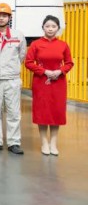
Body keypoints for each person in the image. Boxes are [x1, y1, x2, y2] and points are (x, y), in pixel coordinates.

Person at [25, 15, 74, 156]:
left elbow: (69, 63)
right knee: (42, 111)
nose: (50, 29)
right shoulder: (36, 44)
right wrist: (44, 71)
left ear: (58, 28)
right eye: (47, 26)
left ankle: (53, 143)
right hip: (41, 82)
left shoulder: (63, 45)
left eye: (53, 26)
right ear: (43, 28)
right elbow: (28, 62)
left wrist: (60, 71)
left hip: (58, 83)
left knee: (56, 112)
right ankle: (44, 143)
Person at [0, 2, 26, 155]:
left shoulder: (18, 35)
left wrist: (11, 69)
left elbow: (22, 55)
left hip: (12, 79)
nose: (1, 18)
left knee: (14, 112)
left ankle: (14, 142)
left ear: (9, 17)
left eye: (4, 16)